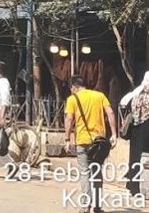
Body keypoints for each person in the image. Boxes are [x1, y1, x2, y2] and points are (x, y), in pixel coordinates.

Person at [65, 74, 118, 213]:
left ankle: (85, 206)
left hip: (82, 141)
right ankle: (97, 206)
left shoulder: (72, 99)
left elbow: (69, 119)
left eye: (71, 88)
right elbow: (110, 113)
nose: (71, 91)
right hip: (99, 142)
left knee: (85, 172)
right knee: (97, 173)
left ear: (75, 87)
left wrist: (67, 139)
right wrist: (114, 134)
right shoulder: (99, 96)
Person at [120, 71, 149, 196]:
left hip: (137, 131)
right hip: (145, 130)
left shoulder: (136, 93)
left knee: (136, 158)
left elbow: (122, 104)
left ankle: (134, 186)